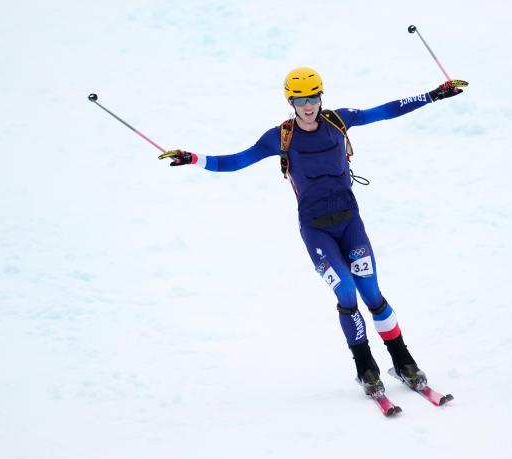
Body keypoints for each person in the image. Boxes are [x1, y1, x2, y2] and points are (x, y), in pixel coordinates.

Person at [159, 67, 467, 397]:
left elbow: (387, 110)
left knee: (372, 294)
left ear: (321, 96)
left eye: (314, 98)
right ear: (290, 101)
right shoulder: (280, 137)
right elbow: (234, 161)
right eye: (301, 100)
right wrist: (193, 158)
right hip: (316, 231)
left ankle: (403, 361)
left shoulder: (338, 120)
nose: (308, 107)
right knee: (347, 293)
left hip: (350, 222)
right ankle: (366, 368)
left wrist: (434, 94)